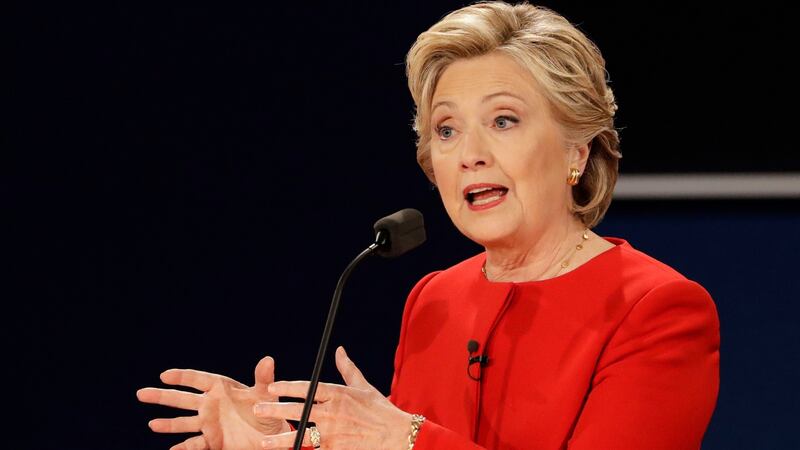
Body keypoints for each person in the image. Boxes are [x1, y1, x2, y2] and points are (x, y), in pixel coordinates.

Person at [137, 2, 720, 449]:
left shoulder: (656, 309)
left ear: (576, 150)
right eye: (446, 130)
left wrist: (406, 438)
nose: (470, 153)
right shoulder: (434, 299)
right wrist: (294, 441)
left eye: (504, 120)